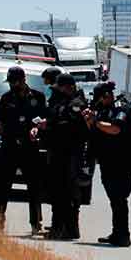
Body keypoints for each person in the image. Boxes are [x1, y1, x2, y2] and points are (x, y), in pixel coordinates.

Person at [0, 66, 47, 235]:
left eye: (14, 82)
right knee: (3, 186)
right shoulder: (6, 98)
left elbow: (43, 120)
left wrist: (37, 130)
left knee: (34, 186)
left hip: (29, 147)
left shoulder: (38, 97)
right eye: (10, 82)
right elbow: (0, 123)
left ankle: (35, 222)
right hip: (9, 146)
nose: (12, 85)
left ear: (23, 80)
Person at [82, 81, 131, 247]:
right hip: (108, 159)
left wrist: (96, 121)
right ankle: (117, 232)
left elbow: (115, 129)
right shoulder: (102, 110)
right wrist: (89, 120)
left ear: (106, 96)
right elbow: (93, 131)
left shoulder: (121, 108)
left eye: (100, 98)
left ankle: (123, 236)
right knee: (114, 197)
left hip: (124, 159)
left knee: (119, 196)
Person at [33, 73, 87, 240]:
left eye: (60, 87)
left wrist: (48, 125)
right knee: (57, 191)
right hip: (58, 151)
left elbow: (70, 126)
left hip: (69, 153)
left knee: (66, 192)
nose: (58, 90)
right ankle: (60, 227)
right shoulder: (61, 102)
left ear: (68, 87)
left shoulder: (76, 104)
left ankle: (65, 229)